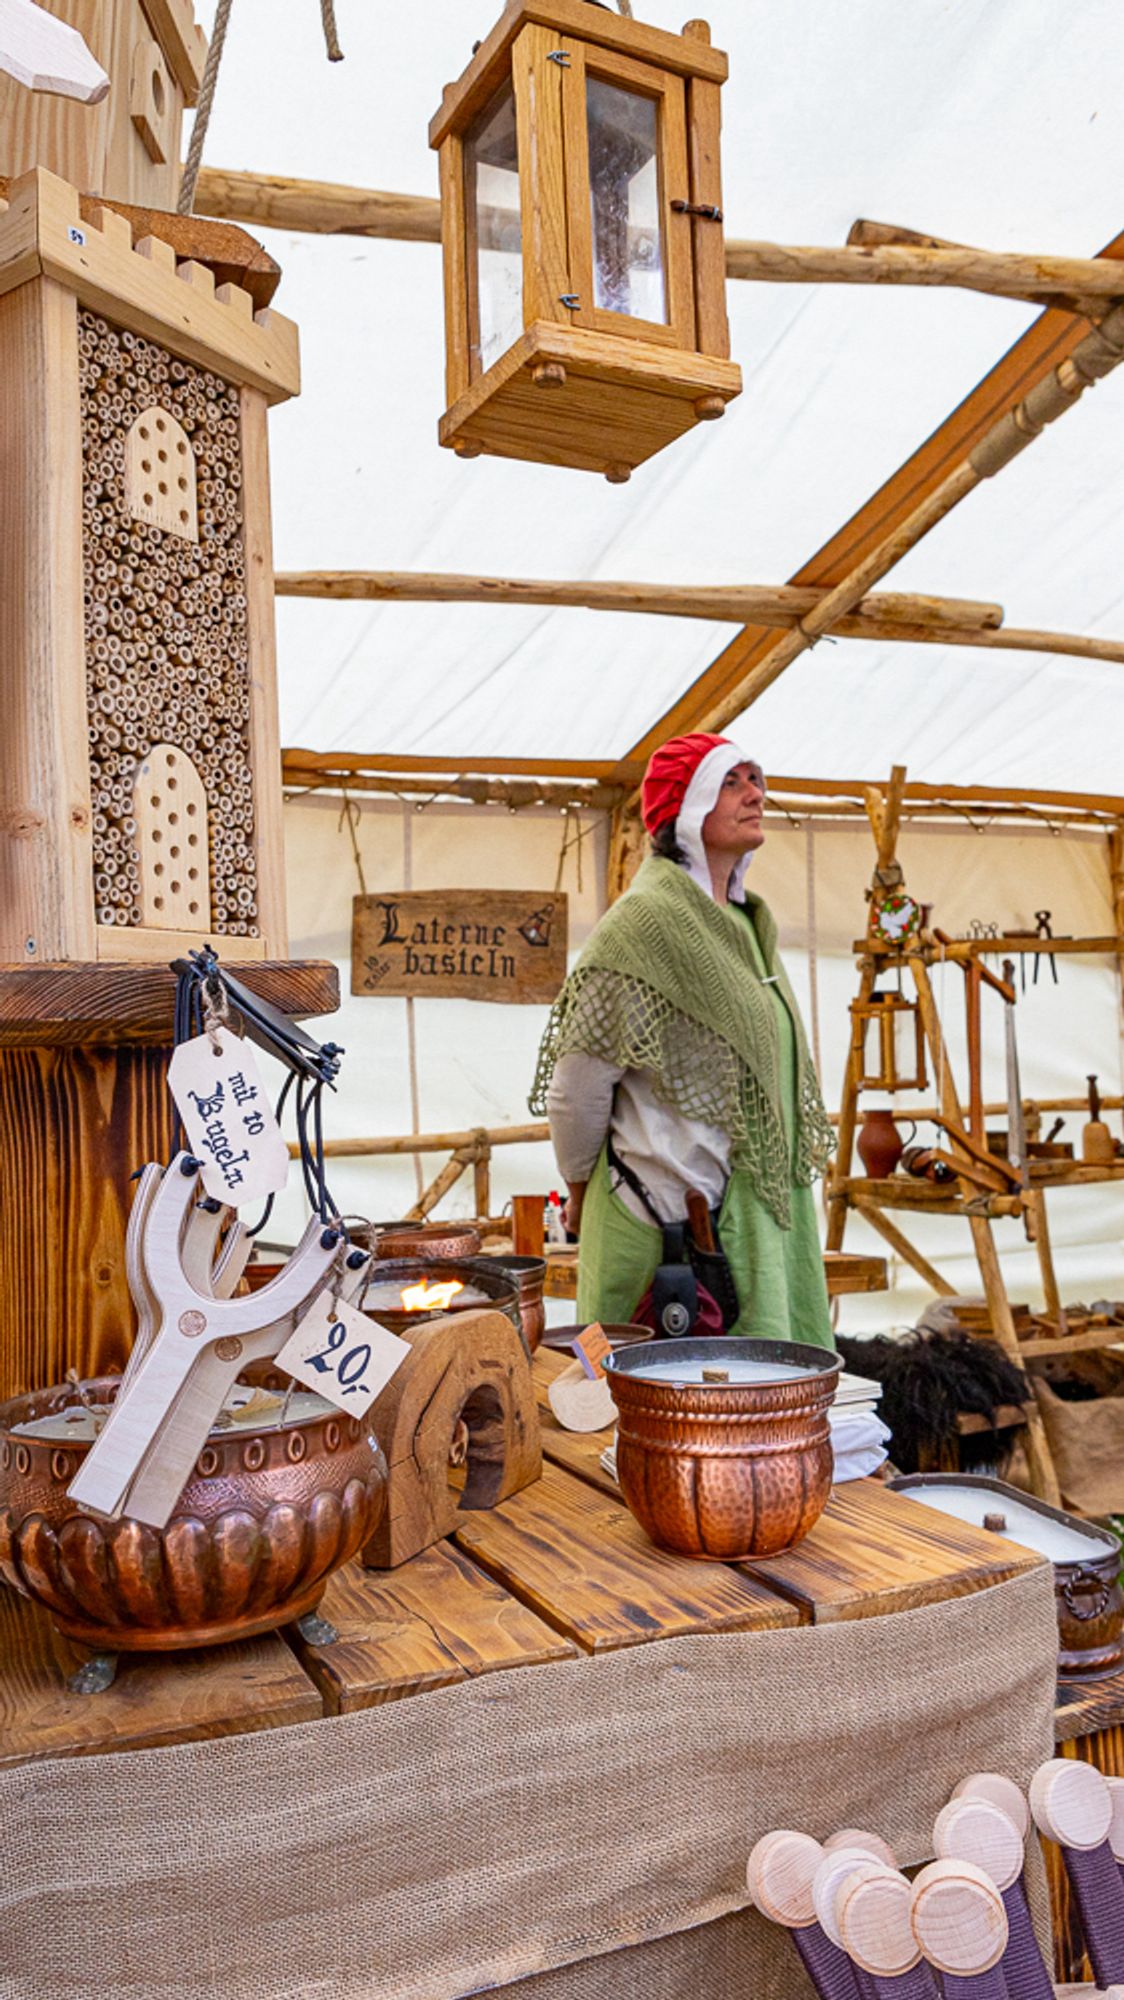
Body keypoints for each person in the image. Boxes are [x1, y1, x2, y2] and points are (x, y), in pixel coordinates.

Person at [529, 731, 835, 1346]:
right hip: (660, 1229)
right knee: (650, 1423)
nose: (756, 794)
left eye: (756, 779)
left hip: (743, 1225)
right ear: (687, 808)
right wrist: (583, 1193)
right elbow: (577, 1091)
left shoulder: (749, 929)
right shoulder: (642, 926)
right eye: (732, 782)